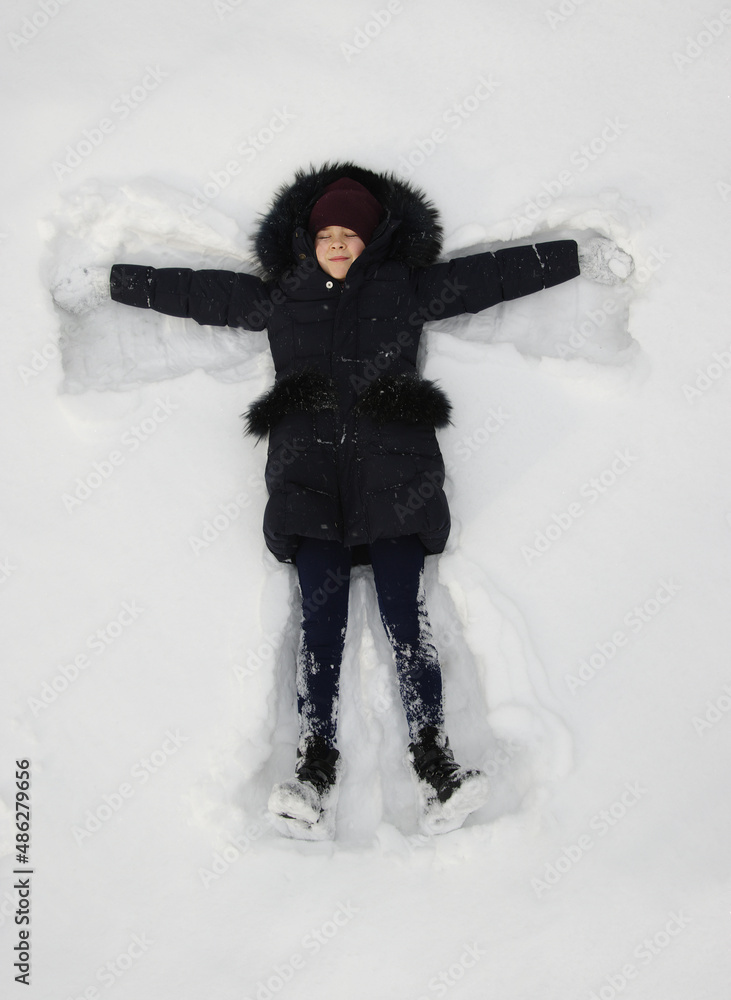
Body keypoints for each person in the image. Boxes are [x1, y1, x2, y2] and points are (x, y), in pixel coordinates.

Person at [105, 162, 633, 839]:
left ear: (370, 240)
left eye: (348, 234)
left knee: (404, 621)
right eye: (324, 232)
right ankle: (310, 771)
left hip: (395, 482)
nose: (335, 242)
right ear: (306, 238)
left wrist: (575, 256)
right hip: (309, 483)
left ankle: (436, 765)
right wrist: (111, 284)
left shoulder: (404, 290)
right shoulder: (282, 295)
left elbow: (493, 277)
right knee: (319, 631)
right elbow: (195, 293)